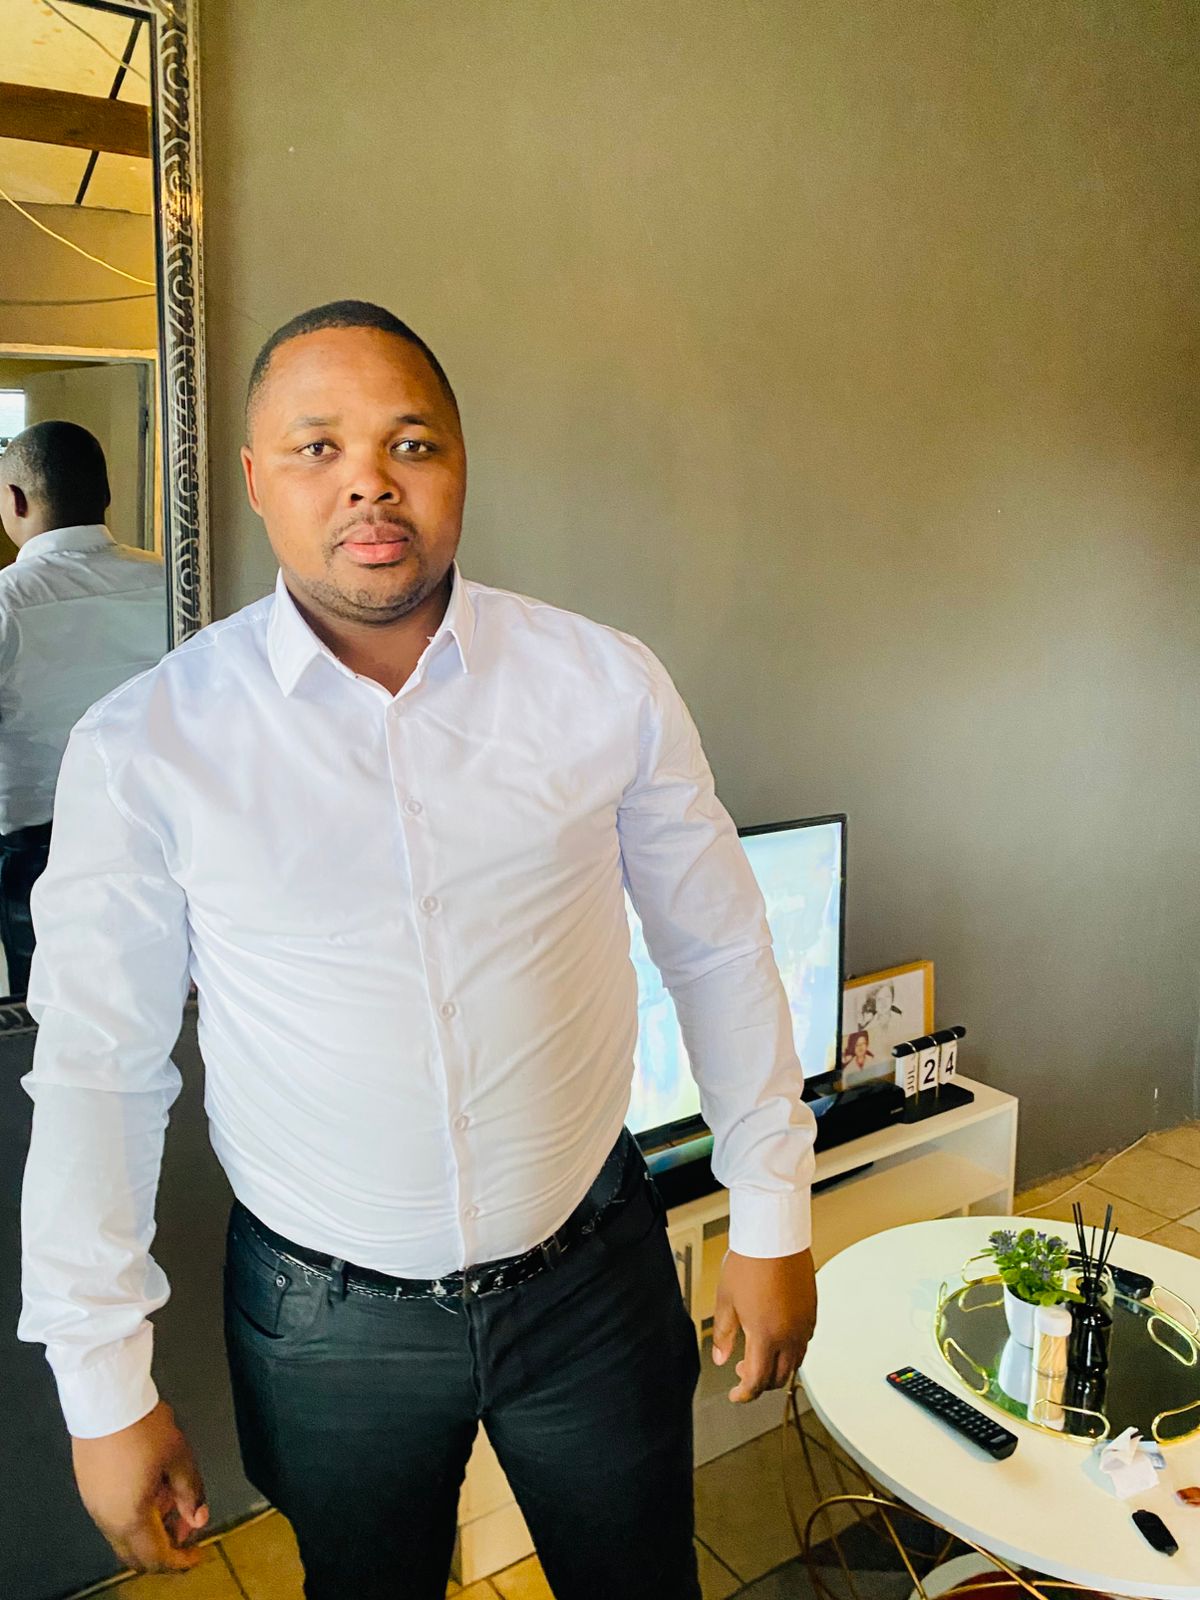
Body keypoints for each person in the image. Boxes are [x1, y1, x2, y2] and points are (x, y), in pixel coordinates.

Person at [19, 302, 818, 1600]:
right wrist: (101, 1382)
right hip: (326, 1325)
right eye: (318, 447)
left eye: (411, 443)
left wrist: (772, 1208)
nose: (369, 483)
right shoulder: (148, 746)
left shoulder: (603, 684)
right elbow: (99, 1071)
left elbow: (717, 946)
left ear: (460, 464)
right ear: (256, 481)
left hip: (593, 1277)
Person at [0, 421, 166, 993]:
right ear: (107, 493)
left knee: (49, 1003)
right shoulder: (172, 583)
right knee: (152, 987)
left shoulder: (7, 602)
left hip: (38, 839)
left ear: (15, 499)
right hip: (158, 822)